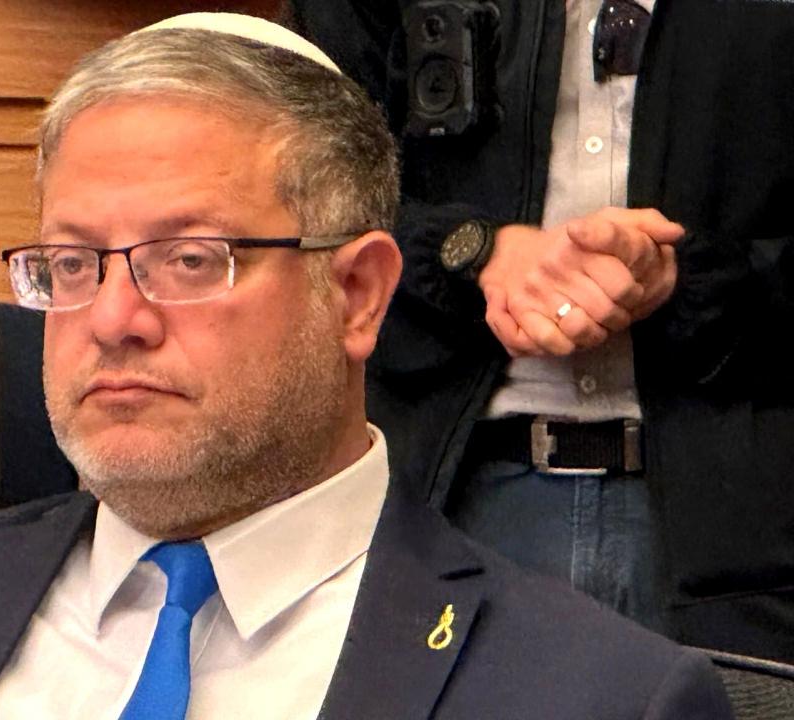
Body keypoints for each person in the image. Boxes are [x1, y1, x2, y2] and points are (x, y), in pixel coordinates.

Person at [0, 14, 732, 720]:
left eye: (189, 260)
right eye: (71, 264)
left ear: (356, 294)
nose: (112, 318)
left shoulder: (591, 695)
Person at [285, 0, 794, 661]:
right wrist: (472, 253)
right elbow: (297, 201)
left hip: (745, 532)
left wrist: (685, 280)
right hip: (441, 495)